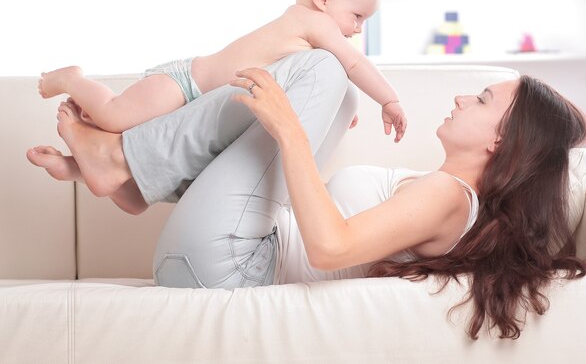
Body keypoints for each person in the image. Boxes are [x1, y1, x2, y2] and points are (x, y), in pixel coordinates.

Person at [27, 49, 586, 339]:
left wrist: (292, 132)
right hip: (222, 257)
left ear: (499, 143)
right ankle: (128, 174)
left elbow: (331, 248)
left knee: (321, 69)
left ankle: (122, 158)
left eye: (483, 100)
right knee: (338, 97)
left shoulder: (449, 195)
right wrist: (300, 132)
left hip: (232, 269)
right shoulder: (442, 193)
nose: (464, 98)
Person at [36, 0, 406, 141]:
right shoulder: (313, 22)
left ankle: (78, 151)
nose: (357, 30)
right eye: (357, 16)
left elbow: (302, 84)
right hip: (184, 85)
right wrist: (389, 100)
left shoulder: (310, 38)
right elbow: (354, 63)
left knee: (131, 173)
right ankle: (72, 79)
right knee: (115, 116)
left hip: (199, 106)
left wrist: (331, 107)